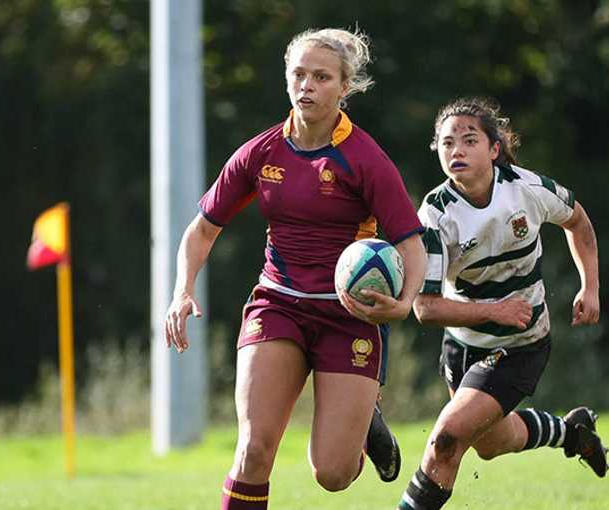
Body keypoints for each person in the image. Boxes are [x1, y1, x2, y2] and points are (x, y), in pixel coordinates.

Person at [163, 27, 426, 509]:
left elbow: (411, 244)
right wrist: (182, 291)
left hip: (348, 317)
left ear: (344, 88)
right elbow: (200, 231)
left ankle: (364, 418)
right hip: (277, 305)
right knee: (253, 450)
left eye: (321, 77)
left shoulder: (365, 159)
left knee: (332, 473)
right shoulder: (261, 153)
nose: (307, 85)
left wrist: (404, 303)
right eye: (299, 75)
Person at [395, 97, 609, 510]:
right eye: (446, 142)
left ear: (494, 149)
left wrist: (591, 286)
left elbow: (577, 220)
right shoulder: (435, 216)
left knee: (445, 440)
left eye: (469, 140)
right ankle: (571, 433)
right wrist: (493, 311)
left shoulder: (526, 189)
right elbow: (427, 308)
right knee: (491, 444)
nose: (456, 149)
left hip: (520, 345)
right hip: (463, 345)